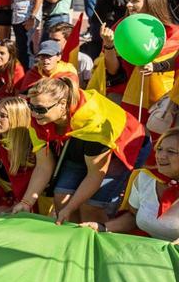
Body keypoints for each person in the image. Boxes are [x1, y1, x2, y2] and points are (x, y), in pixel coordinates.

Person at [21, 77, 147, 225]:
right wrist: (26, 202)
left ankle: (95, 244)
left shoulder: (93, 121)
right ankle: (71, 242)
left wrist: (69, 209)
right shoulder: (37, 118)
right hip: (79, 142)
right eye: (32, 106)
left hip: (122, 144)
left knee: (91, 207)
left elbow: (95, 174)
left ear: (62, 104)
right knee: (61, 198)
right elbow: (43, 165)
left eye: (40, 109)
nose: (34, 113)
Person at [82, 127, 179, 240]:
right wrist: (102, 227)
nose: (161, 156)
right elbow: (133, 217)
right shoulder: (144, 178)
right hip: (152, 252)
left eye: (171, 151)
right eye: (159, 149)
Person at [15, 39, 80, 93]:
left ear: (58, 57)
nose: (45, 60)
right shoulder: (34, 72)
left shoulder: (68, 72)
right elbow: (23, 94)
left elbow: (72, 95)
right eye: (42, 56)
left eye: (49, 56)